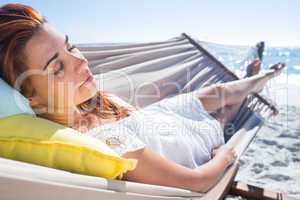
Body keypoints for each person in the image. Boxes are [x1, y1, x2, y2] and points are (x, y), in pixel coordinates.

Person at [0, 3, 285, 192]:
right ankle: (257, 80)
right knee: (225, 113)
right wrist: (225, 157)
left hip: (162, 117)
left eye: (71, 46)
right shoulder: (103, 146)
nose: (79, 62)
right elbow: (198, 181)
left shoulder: (88, 102)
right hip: (195, 138)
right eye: (57, 67)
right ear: (31, 99)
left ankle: (257, 79)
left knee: (218, 94)